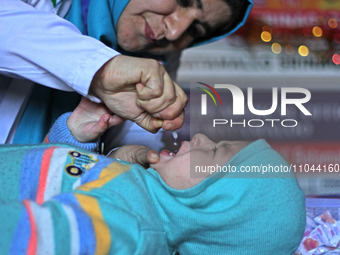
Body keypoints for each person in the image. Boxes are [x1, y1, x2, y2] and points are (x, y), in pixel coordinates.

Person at [0, 98, 306, 254]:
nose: (200, 137)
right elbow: (45, 187)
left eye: (214, 152)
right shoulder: (134, 193)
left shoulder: (131, 227)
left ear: (215, 209)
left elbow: (29, 237)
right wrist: (74, 138)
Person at [0, 0, 253, 144]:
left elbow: (130, 141)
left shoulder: (155, 60)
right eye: (183, 0)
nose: (176, 32)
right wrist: (102, 71)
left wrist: (125, 161)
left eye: (196, 30)